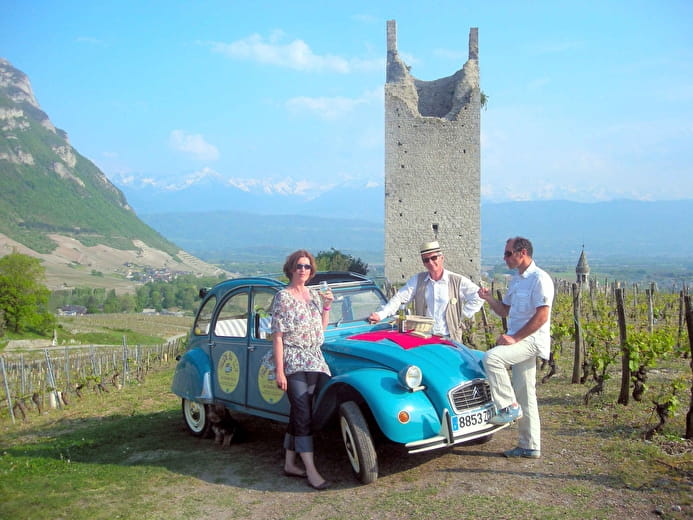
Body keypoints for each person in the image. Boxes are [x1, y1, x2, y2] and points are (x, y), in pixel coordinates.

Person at [477, 236, 554, 459]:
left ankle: (507, 407)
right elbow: (504, 311)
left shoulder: (540, 279)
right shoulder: (517, 280)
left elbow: (542, 315)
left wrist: (515, 338)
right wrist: (489, 298)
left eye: (508, 253)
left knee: (492, 358)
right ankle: (530, 445)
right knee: (525, 393)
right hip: (519, 339)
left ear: (522, 253)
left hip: (530, 340)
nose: (505, 258)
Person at [271, 249, 333, 490]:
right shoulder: (282, 297)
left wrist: (327, 306)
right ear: (291, 269)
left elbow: (321, 328)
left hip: (314, 358)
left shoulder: (314, 294)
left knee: (301, 410)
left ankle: (289, 464)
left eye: (307, 267)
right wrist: (279, 371)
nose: (303, 271)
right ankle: (311, 470)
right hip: (293, 358)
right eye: (299, 266)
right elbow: (277, 337)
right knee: (303, 413)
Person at [368, 241, 484, 342]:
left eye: (434, 258)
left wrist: (462, 315)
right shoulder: (418, 280)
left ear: (441, 258)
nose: (430, 262)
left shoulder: (457, 280)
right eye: (426, 260)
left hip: (450, 338)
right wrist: (380, 315)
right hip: (424, 337)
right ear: (423, 262)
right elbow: (399, 298)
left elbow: (479, 296)